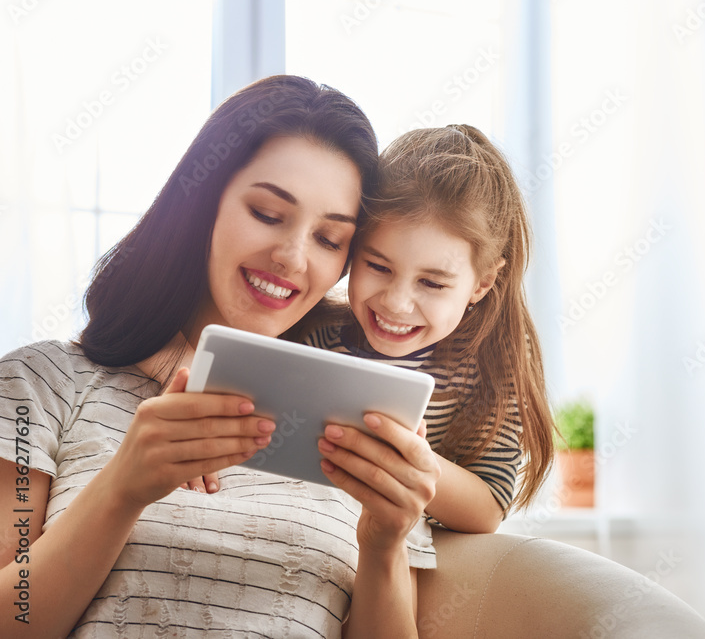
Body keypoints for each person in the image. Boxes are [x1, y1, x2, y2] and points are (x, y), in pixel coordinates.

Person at [0, 74, 439, 638]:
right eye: (267, 213)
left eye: (330, 240)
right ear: (202, 202)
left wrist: (383, 547)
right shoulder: (39, 385)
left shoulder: (371, 430)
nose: (291, 257)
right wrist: (121, 489)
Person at [296, 124, 555, 534]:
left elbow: (488, 509)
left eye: (432, 283)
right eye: (377, 266)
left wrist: (408, 462)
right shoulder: (315, 335)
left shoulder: (489, 366)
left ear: (482, 284)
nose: (396, 303)